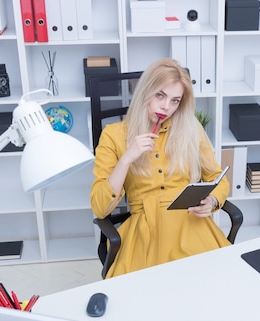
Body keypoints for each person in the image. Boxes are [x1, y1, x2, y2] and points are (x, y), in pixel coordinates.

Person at [90, 58, 231, 278]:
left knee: (215, 286)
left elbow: (216, 176)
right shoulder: (113, 135)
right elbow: (100, 208)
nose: (167, 107)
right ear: (145, 92)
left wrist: (212, 201)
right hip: (145, 226)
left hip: (190, 221)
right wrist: (126, 159)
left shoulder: (190, 128)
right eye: (160, 95)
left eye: (175, 100)